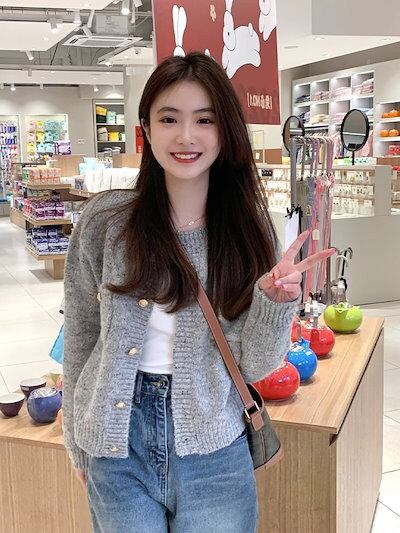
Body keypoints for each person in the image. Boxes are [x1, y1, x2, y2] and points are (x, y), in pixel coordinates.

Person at [63, 52, 334, 533]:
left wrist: (275, 303)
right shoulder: (105, 222)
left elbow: (255, 367)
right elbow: (82, 335)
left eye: (204, 120)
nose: (186, 136)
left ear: (225, 131)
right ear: (146, 129)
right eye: (169, 119)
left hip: (214, 448)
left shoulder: (249, 231)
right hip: (116, 446)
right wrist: (77, 439)